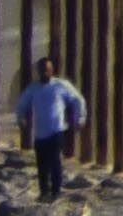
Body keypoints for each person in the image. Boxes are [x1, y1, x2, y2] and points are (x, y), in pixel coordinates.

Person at [20, 57, 87, 198]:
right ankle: (44, 192)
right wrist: (21, 118)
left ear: (52, 70)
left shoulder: (61, 85)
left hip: (56, 131)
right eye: (42, 70)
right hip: (40, 133)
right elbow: (22, 104)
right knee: (42, 165)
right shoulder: (33, 88)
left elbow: (77, 99)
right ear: (38, 71)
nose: (45, 72)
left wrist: (80, 117)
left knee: (55, 161)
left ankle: (56, 192)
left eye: (47, 69)